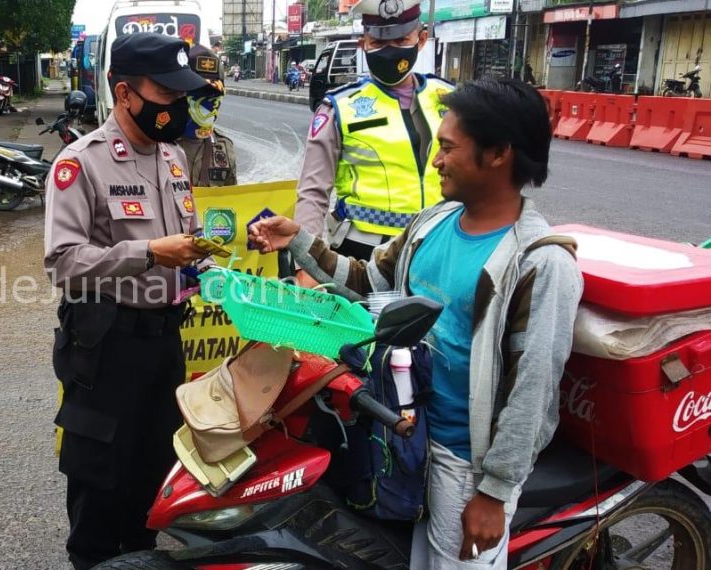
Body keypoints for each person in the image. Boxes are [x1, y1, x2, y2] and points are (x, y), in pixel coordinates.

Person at [248, 79, 583, 570]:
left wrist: (493, 493)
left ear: (498, 154)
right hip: (406, 435)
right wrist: (298, 239)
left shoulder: (539, 263)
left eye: (448, 148)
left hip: (464, 460)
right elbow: (367, 279)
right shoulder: (433, 223)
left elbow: (533, 391)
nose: (436, 161)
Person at [44, 32, 211, 570]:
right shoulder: (81, 164)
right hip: (106, 346)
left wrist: (213, 267)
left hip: (165, 344)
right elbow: (63, 263)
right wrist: (146, 253)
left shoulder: (173, 158)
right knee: (99, 483)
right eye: (165, 95)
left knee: (153, 476)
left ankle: (139, 558)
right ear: (124, 94)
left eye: (180, 94)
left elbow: (189, 246)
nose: (177, 107)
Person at [294, 0, 454, 287]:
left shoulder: (451, 100)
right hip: (361, 253)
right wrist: (307, 263)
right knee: (364, 333)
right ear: (362, 44)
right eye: (379, 42)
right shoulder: (340, 108)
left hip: (439, 249)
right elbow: (312, 192)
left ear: (422, 39)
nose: (390, 50)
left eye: (401, 39)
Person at [178, 44, 237, 187]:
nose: (209, 103)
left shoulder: (224, 148)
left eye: (214, 95)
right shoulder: (159, 146)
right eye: (199, 95)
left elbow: (233, 203)